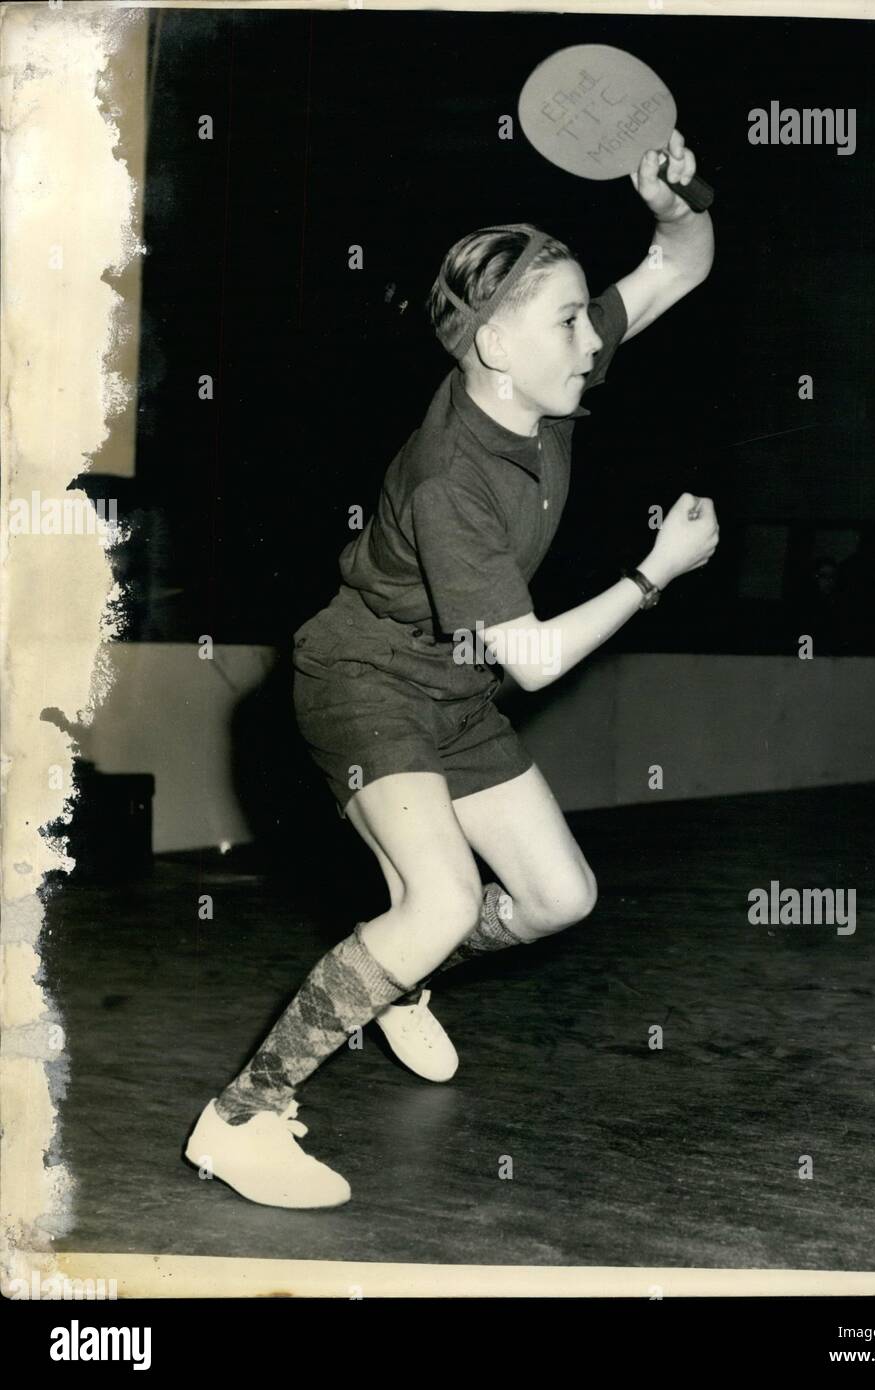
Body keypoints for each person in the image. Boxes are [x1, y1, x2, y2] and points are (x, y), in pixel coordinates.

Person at [185, 129, 719, 1209]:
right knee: (438, 897)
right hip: (365, 678)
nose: (590, 338)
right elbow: (528, 659)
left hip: (452, 686)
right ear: (492, 347)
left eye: (584, 316)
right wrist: (653, 574)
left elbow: (683, 263)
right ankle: (240, 1117)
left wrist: (679, 197)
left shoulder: (544, 378)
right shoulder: (452, 482)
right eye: (568, 321)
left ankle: (397, 972)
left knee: (560, 895)